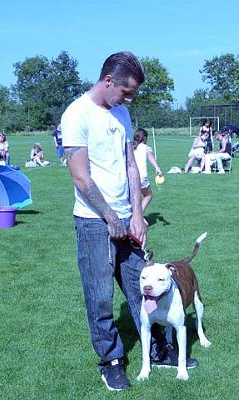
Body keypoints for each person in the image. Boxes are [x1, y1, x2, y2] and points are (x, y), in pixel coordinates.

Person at [61, 51, 193, 392]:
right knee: (100, 295)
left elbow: (131, 165)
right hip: (93, 222)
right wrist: (109, 216)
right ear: (108, 81)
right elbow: (80, 176)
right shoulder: (76, 114)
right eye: (127, 91)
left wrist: (136, 214)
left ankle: (157, 349)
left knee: (142, 287)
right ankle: (111, 361)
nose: (130, 97)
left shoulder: (122, 112)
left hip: (126, 219)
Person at [133, 128, 163, 212]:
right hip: (141, 177)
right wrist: (157, 168)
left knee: (134, 199)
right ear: (145, 138)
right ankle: (138, 216)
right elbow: (150, 157)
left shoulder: (131, 148)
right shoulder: (146, 148)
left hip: (129, 177)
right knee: (148, 195)